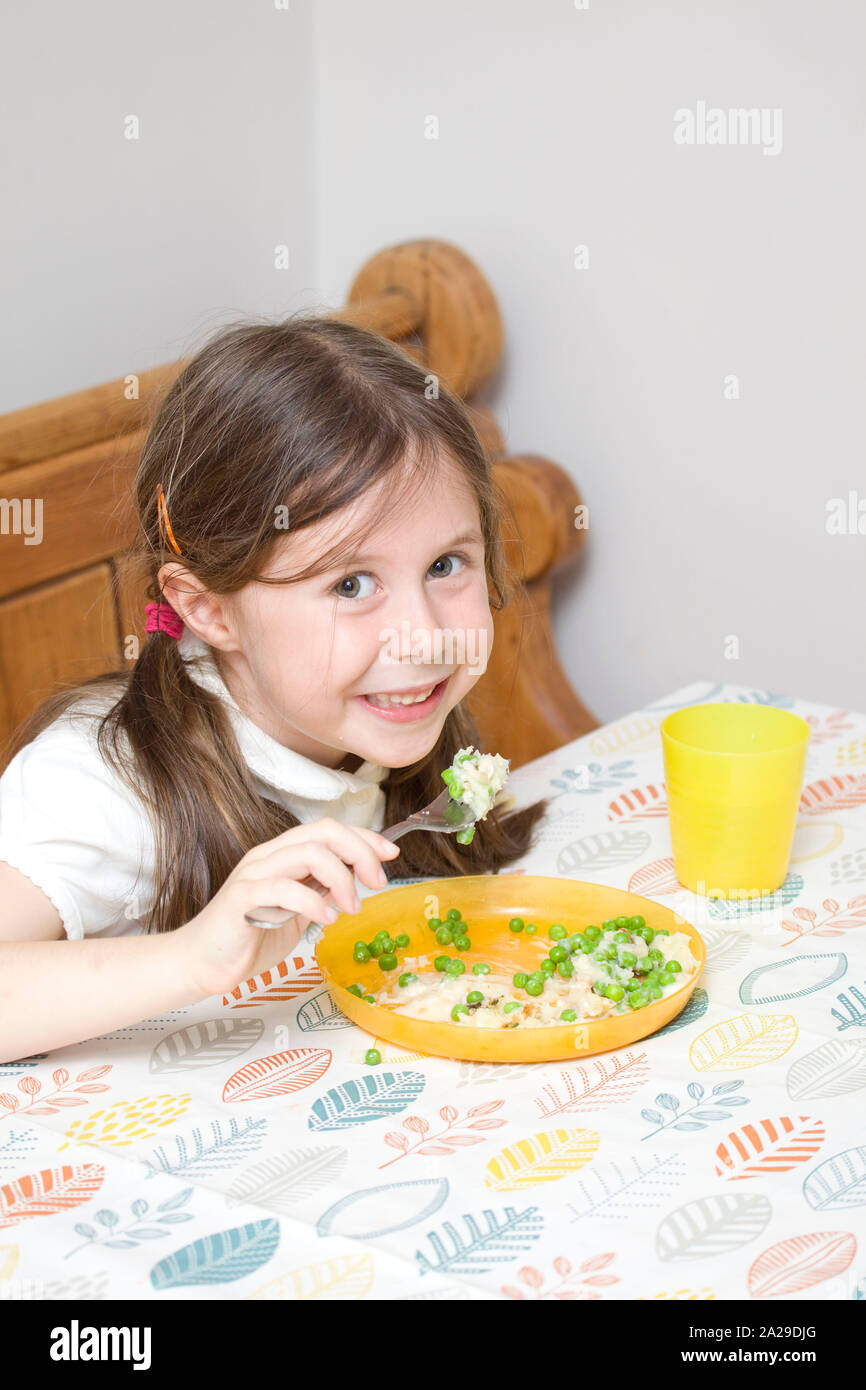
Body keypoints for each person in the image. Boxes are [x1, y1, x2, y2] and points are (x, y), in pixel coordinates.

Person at [0, 315, 547, 1061]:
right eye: (352, 584)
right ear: (207, 608)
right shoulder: (102, 787)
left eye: (446, 566)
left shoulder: (365, 707)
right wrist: (194, 957)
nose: (424, 634)